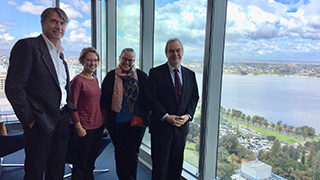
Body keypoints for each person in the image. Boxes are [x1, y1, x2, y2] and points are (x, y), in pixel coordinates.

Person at [5, 7, 75, 180]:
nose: (59, 26)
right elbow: (14, 88)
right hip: (39, 122)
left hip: (61, 120)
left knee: (57, 168)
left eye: (62, 23)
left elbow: (63, 87)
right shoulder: (28, 46)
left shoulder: (61, 55)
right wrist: (30, 120)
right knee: (35, 171)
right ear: (43, 24)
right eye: (54, 21)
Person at [148, 38, 199, 180]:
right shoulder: (155, 73)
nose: (175, 54)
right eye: (171, 51)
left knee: (176, 167)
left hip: (181, 130)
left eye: (178, 50)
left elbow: (194, 97)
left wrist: (188, 115)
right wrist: (166, 116)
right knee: (160, 167)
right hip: (161, 128)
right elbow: (150, 99)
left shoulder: (190, 74)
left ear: (182, 52)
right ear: (166, 53)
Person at [100, 48, 149, 180]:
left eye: (130, 60)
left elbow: (149, 99)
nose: (127, 62)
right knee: (120, 153)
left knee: (133, 154)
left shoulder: (142, 76)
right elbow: (103, 102)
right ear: (120, 58)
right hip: (117, 123)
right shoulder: (110, 77)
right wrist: (106, 123)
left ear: (134, 61)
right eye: (125, 58)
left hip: (137, 123)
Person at [70, 47, 104, 180]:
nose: (92, 63)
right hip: (84, 128)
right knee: (80, 164)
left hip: (98, 126)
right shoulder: (78, 81)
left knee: (90, 162)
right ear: (82, 61)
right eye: (89, 60)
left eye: (95, 60)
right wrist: (78, 126)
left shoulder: (94, 78)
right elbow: (72, 106)